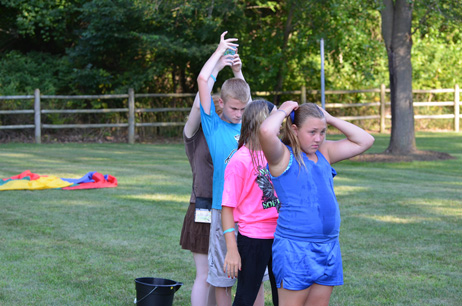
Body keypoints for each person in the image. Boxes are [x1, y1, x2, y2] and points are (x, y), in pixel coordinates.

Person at [259, 102, 375, 306]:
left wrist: (329, 118)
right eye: (312, 132)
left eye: (323, 132)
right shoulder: (283, 156)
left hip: (328, 247)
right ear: (294, 130)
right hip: (295, 248)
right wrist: (283, 111)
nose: (318, 138)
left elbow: (365, 140)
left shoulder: (324, 153)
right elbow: (267, 131)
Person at [197, 32, 264, 306]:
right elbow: (203, 81)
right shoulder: (213, 126)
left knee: (255, 277)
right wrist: (219, 55)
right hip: (221, 210)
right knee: (223, 278)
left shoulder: (251, 128)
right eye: (234, 108)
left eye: (243, 109)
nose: (239, 113)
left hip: (252, 214)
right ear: (221, 104)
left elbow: (248, 100)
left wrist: (238, 71)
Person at [221, 100, 280, 306]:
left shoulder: (277, 153)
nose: (279, 125)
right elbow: (227, 208)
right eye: (276, 119)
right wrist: (232, 249)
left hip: (282, 236)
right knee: (245, 298)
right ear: (261, 124)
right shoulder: (240, 160)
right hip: (253, 239)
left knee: (284, 297)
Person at [180, 56, 228, 306]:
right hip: (201, 207)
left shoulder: (226, 136)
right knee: (205, 275)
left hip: (226, 209)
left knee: (219, 276)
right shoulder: (193, 136)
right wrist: (217, 69)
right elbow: (199, 105)